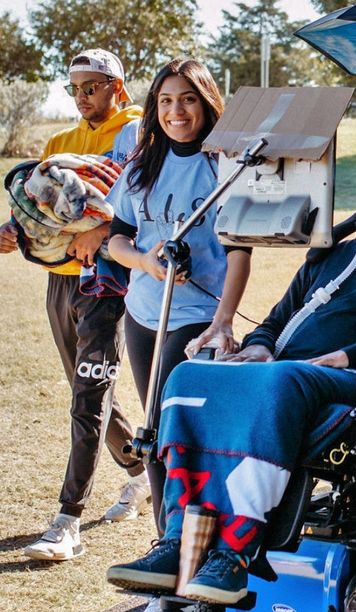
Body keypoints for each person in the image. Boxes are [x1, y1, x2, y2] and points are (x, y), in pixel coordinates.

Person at [107, 145, 356, 604]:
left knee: (282, 380)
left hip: (353, 384)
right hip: (285, 373)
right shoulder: (331, 255)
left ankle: (235, 553)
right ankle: (180, 540)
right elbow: (276, 321)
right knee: (187, 377)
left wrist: (349, 355)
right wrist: (257, 348)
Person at [1, 49, 146, 561]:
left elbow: (134, 204)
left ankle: (68, 521)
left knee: (89, 397)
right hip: (59, 280)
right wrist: (15, 230)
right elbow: (42, 206)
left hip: (106, 280)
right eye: (76, 89)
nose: (84, 97)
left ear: (117, 86)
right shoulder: (60, 142)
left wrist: (105, 228)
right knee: (89, 391)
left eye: (93, 87)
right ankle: (139, 473)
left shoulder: (135, 130)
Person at [105, 58, 252, 529]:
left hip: (196, 315)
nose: (177, 111)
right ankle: (165, 538)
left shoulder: (226, 168)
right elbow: (117, 239)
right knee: (150, 430)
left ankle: (188, 533)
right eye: (166, 101)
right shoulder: (140, 164)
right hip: (142, 311)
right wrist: (144, 261)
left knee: (171, 426)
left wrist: (224, 320)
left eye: (188, 99)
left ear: (207, 104)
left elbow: (240, 252)